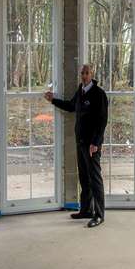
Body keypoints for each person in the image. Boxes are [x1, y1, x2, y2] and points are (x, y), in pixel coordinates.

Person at [44, 64, 108, 228]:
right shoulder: (80, 91)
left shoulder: (98, 94)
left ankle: (99, 215)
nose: (84, 76)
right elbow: (71, 106)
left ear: (92, 74)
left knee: (94, 179)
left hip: (92, 145)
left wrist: (96, 142)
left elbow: (102, 121)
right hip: (80, 142)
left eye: (87, 73)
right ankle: (86, 210)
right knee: (84, 178)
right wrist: (53, 100)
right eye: (82, 73)